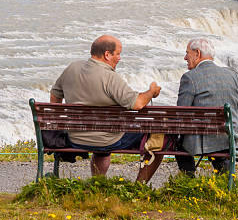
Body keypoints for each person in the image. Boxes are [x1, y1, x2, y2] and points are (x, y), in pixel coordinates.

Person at [50, 35, 162, 182]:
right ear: (107, 55)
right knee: (159, 139)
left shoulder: (72, 68)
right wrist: (151, 91)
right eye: (118, 54)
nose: (120, 58)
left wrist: (59, 122)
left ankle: (98, 183)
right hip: (107, 140)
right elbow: (138, 103)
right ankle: (139, 187)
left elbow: (55, 95)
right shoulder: (110, 78)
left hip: (74, 137)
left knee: (103, 141)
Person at [175, 38, 238, 175]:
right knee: (220, 141)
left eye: (187, 53)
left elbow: (181, 115)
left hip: (202, 142)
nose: (185, 57)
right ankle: (223, 176)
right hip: (229, 138)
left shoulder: (189, 78)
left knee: (178, 142)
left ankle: (188, 180)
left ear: (197, 53)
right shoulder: (232, 75)